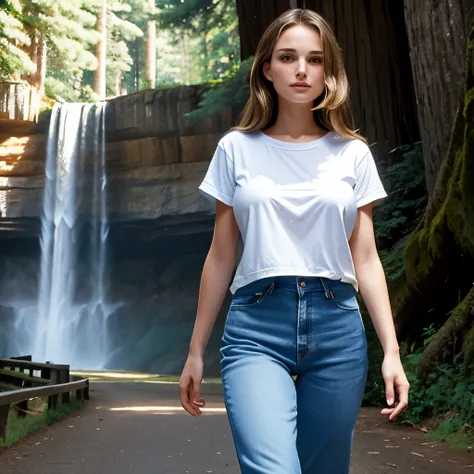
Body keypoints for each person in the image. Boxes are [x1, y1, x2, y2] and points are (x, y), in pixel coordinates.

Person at [179, 8, 410, 474]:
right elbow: (222, 255)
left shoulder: (353, 154)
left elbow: (365, 258)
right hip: (256, 328)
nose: (302, 70)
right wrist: (195, 350)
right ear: (267, 68)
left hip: (337, 327)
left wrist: (391, 350)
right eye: (288, 57)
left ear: (329, 72)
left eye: (315, 59)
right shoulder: (235, 148)